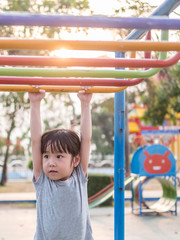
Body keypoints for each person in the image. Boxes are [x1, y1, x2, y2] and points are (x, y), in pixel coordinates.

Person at [29, 90, 94, 240]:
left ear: (76, 160)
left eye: (59, 156)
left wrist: (85, 104)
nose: (51, 162)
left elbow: (86, 139)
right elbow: (35, 141)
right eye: (46, 156)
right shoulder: (42, 180)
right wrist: (35, 103)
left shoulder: (79, 176)